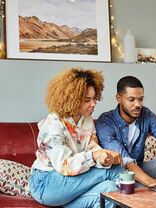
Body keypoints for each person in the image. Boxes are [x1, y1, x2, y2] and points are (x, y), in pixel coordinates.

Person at [29, 68, 122, 208]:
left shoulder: (87, 120)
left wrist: (103, 158)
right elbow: (65, 165)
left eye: (95, 98)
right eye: (87, 100)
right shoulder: (53, 122)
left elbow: (93, 147)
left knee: (109, 189)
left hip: (72, 183)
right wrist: (94, 156)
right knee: (114, 171)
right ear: (72, 100)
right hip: (46, 183)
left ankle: (67, 203)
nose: (93, 104)